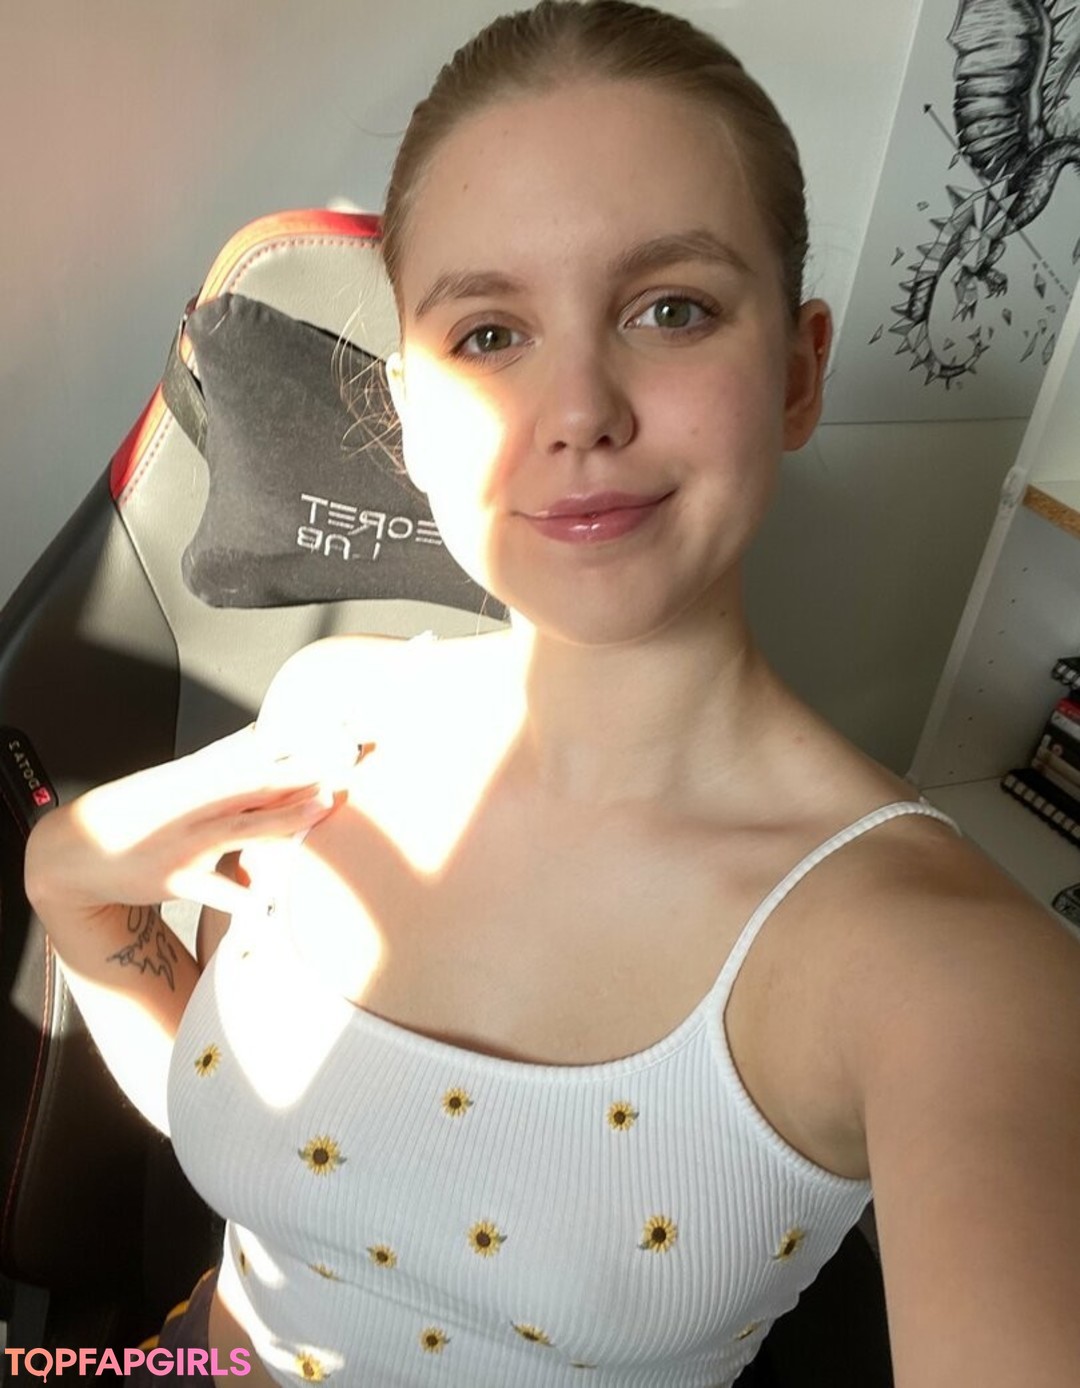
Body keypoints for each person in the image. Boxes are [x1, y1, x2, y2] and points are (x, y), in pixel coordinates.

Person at [23, 2, 1080, 1385]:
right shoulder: (335, 715)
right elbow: (289, 1160)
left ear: (798, 373)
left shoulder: (948, 971)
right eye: (489, 333)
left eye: (671, 309)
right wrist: (71, 879)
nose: (578, 409)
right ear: (408, 415)